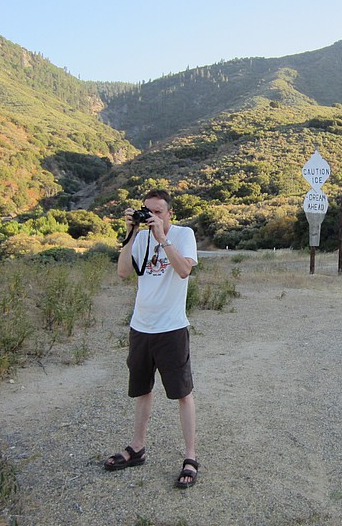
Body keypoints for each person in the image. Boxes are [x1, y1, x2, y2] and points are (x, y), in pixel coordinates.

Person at [104, 189, 200, 488]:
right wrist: (132, 233)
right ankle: (137, 447)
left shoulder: (183, 234)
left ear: (170, 213)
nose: (153, 217)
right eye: (148, 211)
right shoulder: (141, 237)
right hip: (141, 327)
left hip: (171, 328)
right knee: (142, 389)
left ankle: (190, 455)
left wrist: (163, 238)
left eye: (158, 212)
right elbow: (122, 273)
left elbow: (184, 271)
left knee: (182, 392)